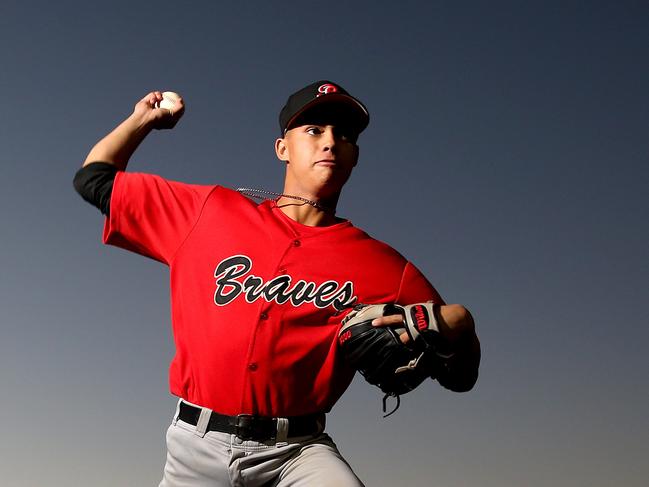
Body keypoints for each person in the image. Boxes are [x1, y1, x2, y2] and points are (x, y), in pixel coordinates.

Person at [74, 80, 480, 486]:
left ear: (355, 156)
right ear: (282, 149)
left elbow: (461, 377)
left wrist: (459, 325)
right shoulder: (209, 213)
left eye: (344, 135)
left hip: (297, 454)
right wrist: (142, 119)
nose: (330, 142)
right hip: (194, 450)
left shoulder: (383, 265)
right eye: (314, 130)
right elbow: (94, 179)